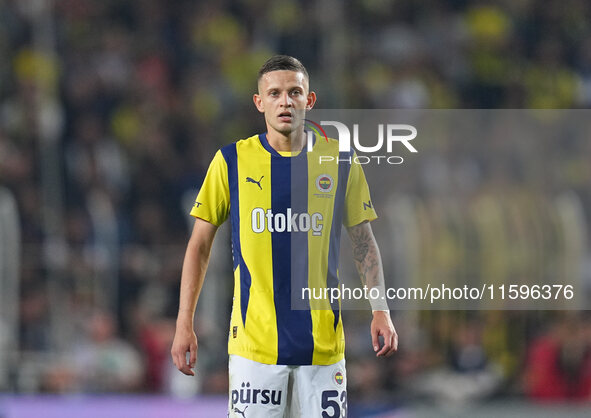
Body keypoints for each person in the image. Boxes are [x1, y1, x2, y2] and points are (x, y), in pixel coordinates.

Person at [171, 55, 397, 417]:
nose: (285, 101)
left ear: (309, 100)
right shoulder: (231, 161)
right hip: (254, 349)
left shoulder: (340, 161)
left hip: (322, 349)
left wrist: (380, 310)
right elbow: (198, 245)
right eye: (274, 93)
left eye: (294, 92)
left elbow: (363, 241)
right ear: (259, 103)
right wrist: (184, 323)